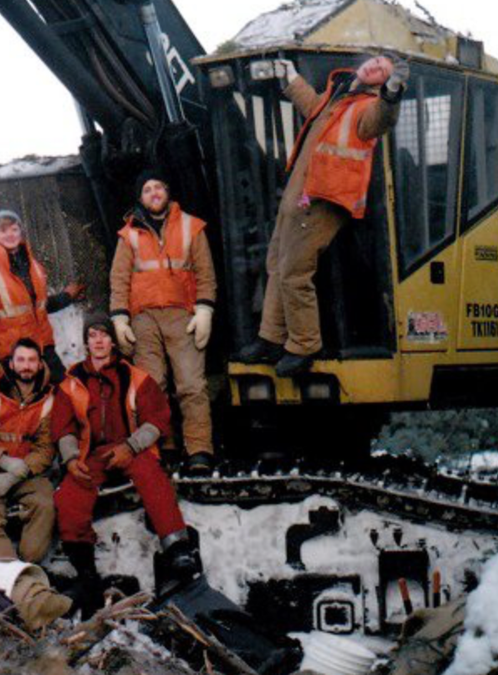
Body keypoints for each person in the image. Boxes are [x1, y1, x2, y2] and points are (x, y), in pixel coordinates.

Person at [238, 54, 407, 376]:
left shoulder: (368, 107)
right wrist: (291, 78)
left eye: (383, 70)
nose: (375, 66)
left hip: (323, 198)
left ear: (383, 81)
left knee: (294, 273)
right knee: (276, 263)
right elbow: (313, 108)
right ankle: (271, 338)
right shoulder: (341, 93)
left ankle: (304, 346)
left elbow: (383, 118)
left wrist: (392, 93)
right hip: (299, 193)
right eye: (375, 61)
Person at [53, 314, 201, 615]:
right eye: (92, 335)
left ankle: (177, 548)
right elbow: (63, 427)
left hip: (130, 446)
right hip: (92, 454)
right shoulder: (71, 382)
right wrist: (70, 458)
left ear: (112, 341)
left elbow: (158, 421)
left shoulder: (135, 377)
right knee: (70, 496)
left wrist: (131, 446)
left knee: (153, 478)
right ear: (85, 342)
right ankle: (85, 570)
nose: (98, 341)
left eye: (104, 335)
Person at [109, 170, 218, 474]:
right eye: (147, 189)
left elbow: (205, 274)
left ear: (167, 192)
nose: (154, 193)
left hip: (181, 315)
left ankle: (199, 450)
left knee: (191, 385)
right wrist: (120, 318)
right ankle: (163, 446)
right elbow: (119, 280)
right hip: (143, 319)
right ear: (140, 197)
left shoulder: (191, 226)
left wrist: (204, 310)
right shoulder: (128, 234)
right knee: (151, 386)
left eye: (159, 187)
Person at [0, 337, 68, 563]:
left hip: (26, 475)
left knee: (46, 504)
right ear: (11, 364)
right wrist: (5, 462)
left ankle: (29, 566)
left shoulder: (48, 400)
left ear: (40, 364)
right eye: (20, 360)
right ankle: (7, 571)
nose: (26, 366)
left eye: (32, 360)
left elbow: (46, 449)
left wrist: (16, 473)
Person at [0, 210, 85, 384]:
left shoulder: (35, 267)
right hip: (13, 357)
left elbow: (39, 306)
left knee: (66, 393)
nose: (10, 234)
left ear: (21, 232)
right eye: (3, 231)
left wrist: (67, 296)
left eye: (14, 229)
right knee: (26, 408)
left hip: (43, 349)